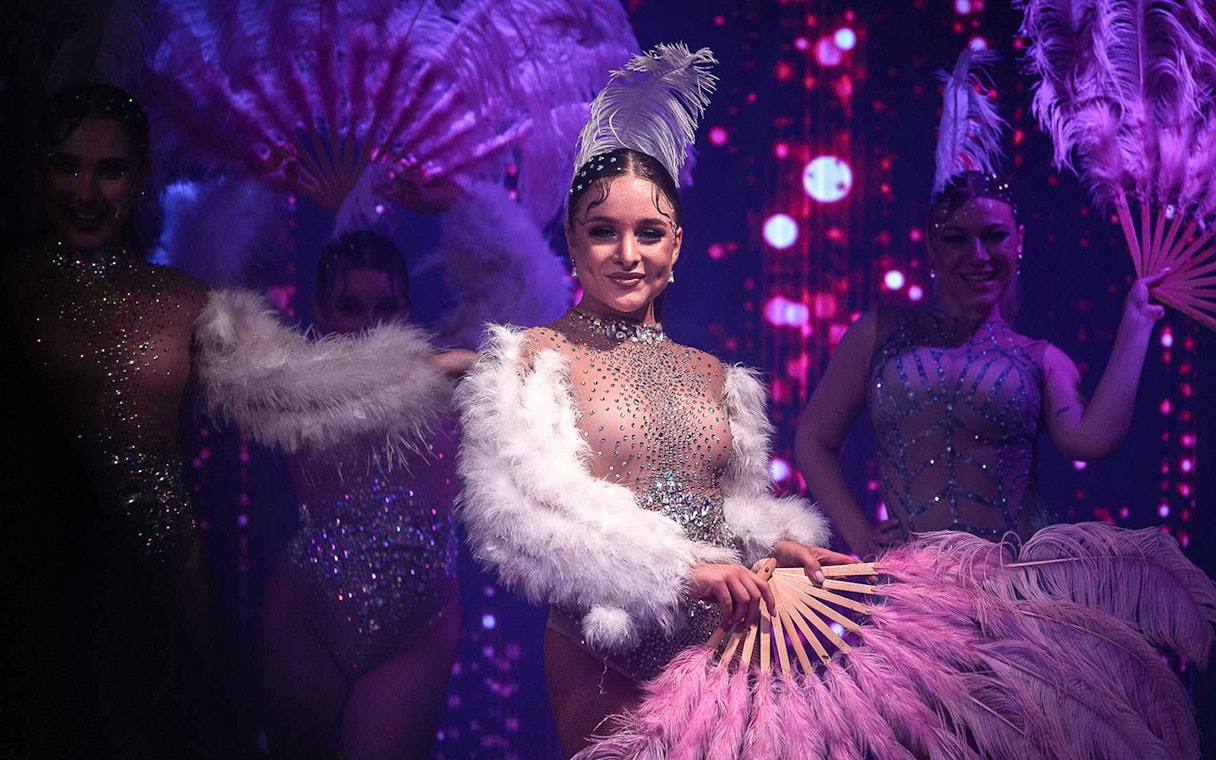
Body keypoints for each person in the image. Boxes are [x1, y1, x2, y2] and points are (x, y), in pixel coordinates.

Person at [453, 45, 856, 757]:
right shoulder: (530, 360)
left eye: (649, 232)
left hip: (729, 653)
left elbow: (727, 508)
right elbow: (517, 526)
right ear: (573, 241)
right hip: (602, 653)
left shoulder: (717, 377)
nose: (626, 254)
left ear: (678, 245)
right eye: (603, 231)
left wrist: (770, 544)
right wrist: (680, 574)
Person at [794, 68, 1167, 561]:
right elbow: (812, 441)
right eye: (955, 238)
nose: (978, 254)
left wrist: (1136, 324)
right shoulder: (880, 334)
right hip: (912, 596)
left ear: (1019, 243)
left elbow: (1092, 440)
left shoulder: (1039, 358)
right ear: (931, 248)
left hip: (1013, 595)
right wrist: (860, 535)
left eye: (993, 236)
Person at [1, 83, 230, 758]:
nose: (86, 191)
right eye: (67, 165)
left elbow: (291, 390)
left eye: (110, 169)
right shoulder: (13, 289)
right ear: (36, 168)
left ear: (141, 178)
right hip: (36, 591)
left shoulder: (184, 300)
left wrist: (418, 367)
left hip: (163, 589)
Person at [194, 230, 475, 758]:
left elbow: (522, 359)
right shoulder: (295, 388)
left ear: (406, 308)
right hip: (305, 617)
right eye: (351, 306)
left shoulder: (455, 381)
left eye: (384, 306)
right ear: (321, 314)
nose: (369, 322)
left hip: (421, 626)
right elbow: (222, 352)